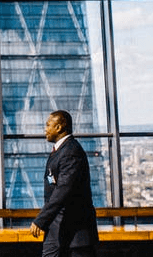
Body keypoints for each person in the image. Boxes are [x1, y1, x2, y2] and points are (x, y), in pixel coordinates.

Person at [30, 110, 99, 257]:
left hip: (75, 232)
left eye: (48, 125)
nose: (45, 129)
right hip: (57, 229)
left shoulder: (71, 152)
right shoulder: (60, 151)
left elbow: (63, 190)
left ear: (59, 127)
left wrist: (41, 220)